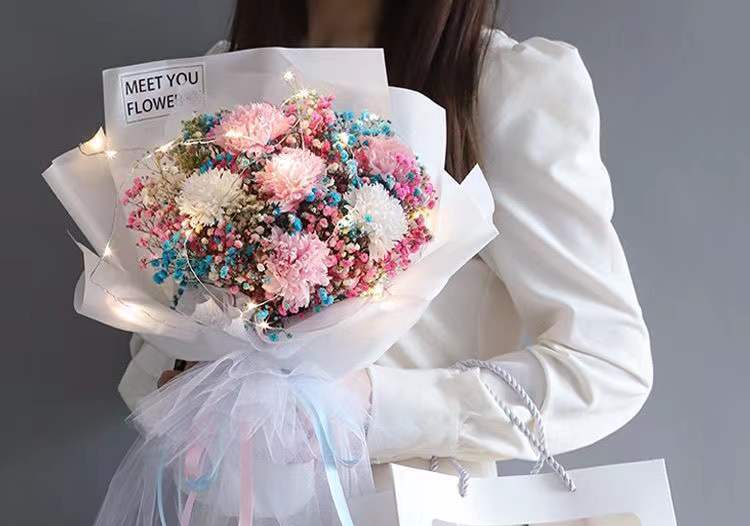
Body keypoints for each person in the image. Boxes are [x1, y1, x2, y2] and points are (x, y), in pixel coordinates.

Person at [122, 0, 653, 476]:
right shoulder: (223, 76)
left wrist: (376, 407)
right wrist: (182, 385)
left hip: (407, 525)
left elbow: (607, 368)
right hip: (230, 522)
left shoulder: (498, 82)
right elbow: (159, 333)